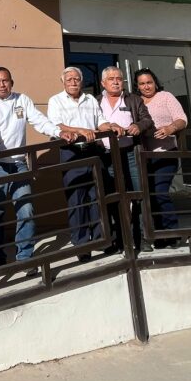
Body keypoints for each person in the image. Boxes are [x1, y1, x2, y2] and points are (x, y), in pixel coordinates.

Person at [0, 67, 75, 271]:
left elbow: (39, 121)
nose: (2, 84)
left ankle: (25, 258)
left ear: (11, 82)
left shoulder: (23, 100)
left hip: (19, 164)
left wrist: (58, 132)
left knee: (26, 209)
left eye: (5, 81)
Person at [47, 67, 120, 261]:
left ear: (81, 81)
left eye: (76, 79)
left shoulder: (90, 99)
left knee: (97, 198)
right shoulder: (55, 100)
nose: (73, 82)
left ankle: (101, 240)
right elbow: (56, 126)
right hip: (71, 153)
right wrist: (80, 131)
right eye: (69, 79)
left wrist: (111, 126)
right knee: (76, 201)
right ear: (63, 82)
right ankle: (81, 246)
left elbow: (100, 122)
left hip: (93, 151)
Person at [97, 66, 153, 252]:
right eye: (111, 79)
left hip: (130, 153)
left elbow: (147, 119)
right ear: (103, 83)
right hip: (107, 156)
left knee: (139, 196)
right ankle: (120, 239)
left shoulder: (133, 99)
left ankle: (143, 239)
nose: (115, 82)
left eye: (119, 79)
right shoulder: (95, 102)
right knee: (113, 199)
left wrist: (139, 125)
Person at [134, 68, 188, 249]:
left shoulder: (165, 97)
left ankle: (172, 232)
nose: (146, 86)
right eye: (142, 83)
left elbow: (182, 119)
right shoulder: (136, 102)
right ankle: (158, 234)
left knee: (159, 191)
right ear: (137, 86)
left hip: (166, 154)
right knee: (148, 195)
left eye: (149, 82)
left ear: (155, 82)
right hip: (143, 157)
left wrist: (170, 129)